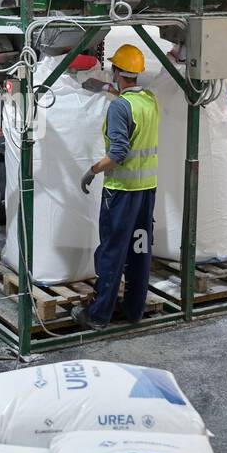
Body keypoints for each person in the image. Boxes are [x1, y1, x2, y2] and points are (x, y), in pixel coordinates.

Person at [74, 43, 159, 330]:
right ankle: (133, 310)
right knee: (140, 249)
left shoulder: (120, 108)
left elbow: (119, 152)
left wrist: (92, 170)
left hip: (121, 192)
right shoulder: (149, 100)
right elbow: (132, 113)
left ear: (117, 71)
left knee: (111, 251)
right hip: (146, 190)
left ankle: (98, 315)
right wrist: (109, 92)